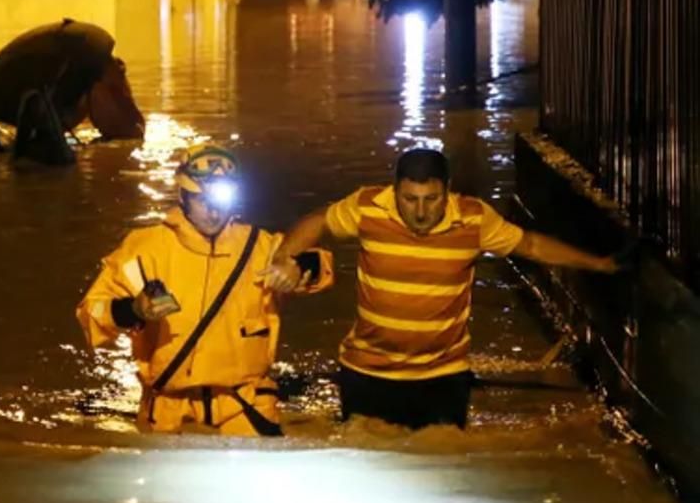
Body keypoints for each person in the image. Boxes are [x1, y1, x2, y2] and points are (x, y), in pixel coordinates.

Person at [261, 147, 619, 430]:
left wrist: (600, 265)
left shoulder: (475, 219)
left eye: (430, 199)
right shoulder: (368, 207)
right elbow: (319, 220)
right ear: (394, 190)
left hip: (442, 379)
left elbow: (532, 247)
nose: (419, 211)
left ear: (447, 193)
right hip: (367, 373)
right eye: (409, 199)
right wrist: (284, 258)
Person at [76, 143, 334, 436]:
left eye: (220, 202)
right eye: (202, 201)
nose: (213, 212)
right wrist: (133, 309)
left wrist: (297, 266)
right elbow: (91, 313)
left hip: (245, 406)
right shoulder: (145, 249)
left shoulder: (259, 247)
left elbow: (323, 267)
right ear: (182, 195)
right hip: (167, 409)